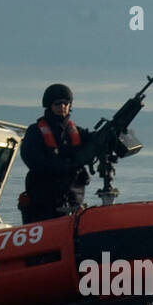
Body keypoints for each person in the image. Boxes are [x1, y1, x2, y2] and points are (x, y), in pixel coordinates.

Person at [19, 83, 95, 224]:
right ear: (49, 105)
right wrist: (61, 168)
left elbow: (95, 142)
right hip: (44, 202)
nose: (62, 107)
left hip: (73, 199)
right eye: (58, 103)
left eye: (66, 103)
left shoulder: (77, 132)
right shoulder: (35, 132)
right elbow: (32, 160)